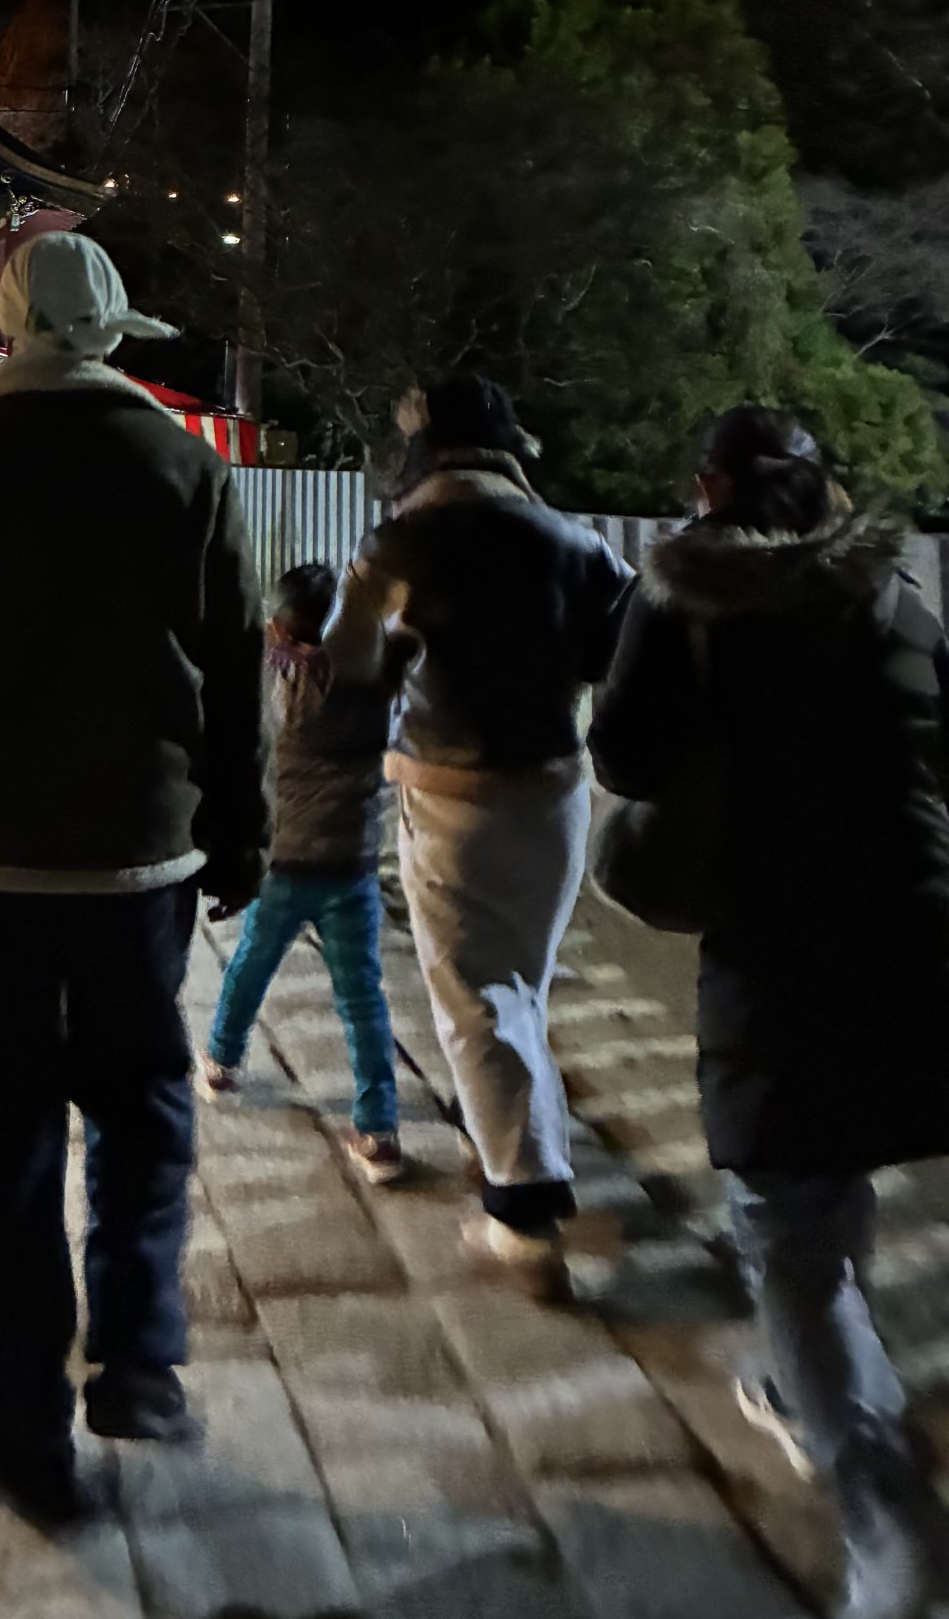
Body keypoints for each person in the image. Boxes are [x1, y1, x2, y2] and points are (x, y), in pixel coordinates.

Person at [0, 232, 268, 1520]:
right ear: (110, 334)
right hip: (139, 857)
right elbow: (236, 667)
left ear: (10, 331)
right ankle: (139, 1354)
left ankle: (23, 1399)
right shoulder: (184, 467)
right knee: (141, 1099)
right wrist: (240, 832)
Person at [592, 408, 949, 1619]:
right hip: (919, 928)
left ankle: (894, 1534)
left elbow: (625, 758)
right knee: (829, 1174)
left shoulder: (687, 596)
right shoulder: (891, 593)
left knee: (787, 1220)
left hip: (780, 941)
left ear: (707, 487)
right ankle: (808, 1391)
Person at [323, 373, 632, 1300]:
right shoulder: (575, 541)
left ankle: (523, 1210)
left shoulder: (400, 540)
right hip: (556, 791)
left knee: (475, 997)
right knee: (520, 983)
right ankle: (518, 1144)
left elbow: (346, 658)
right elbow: (622, 650)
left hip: (449, 793)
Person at [202, 562, 405, 1188]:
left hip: (284, 860)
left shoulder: (270, 680)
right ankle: (378, 1130)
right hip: (350, 863)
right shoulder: (377, 684)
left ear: (279, 628)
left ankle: (221, 1060)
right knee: (362, 997)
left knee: (252, 961)